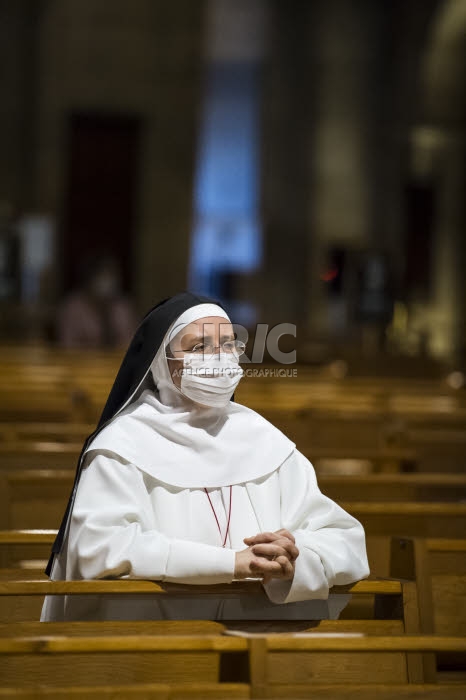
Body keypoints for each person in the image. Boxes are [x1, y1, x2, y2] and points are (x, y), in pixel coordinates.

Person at [42, 291, 369, 622]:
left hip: (266, 641)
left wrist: (294, 561)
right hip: (155, 648)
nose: (219, 358)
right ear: (161, 362)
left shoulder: (265, 441)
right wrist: (233, 563)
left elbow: (345, 541)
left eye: (228, 344)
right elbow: (100, 550)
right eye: (199, 347)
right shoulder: (121, 447)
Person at [57, 256, 136, 348]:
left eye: (111, 275)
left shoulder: (123, 308)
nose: (107, 282)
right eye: (101, 276)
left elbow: (133, 345)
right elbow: (66, 345)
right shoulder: (72, 308)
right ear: (88, 279)